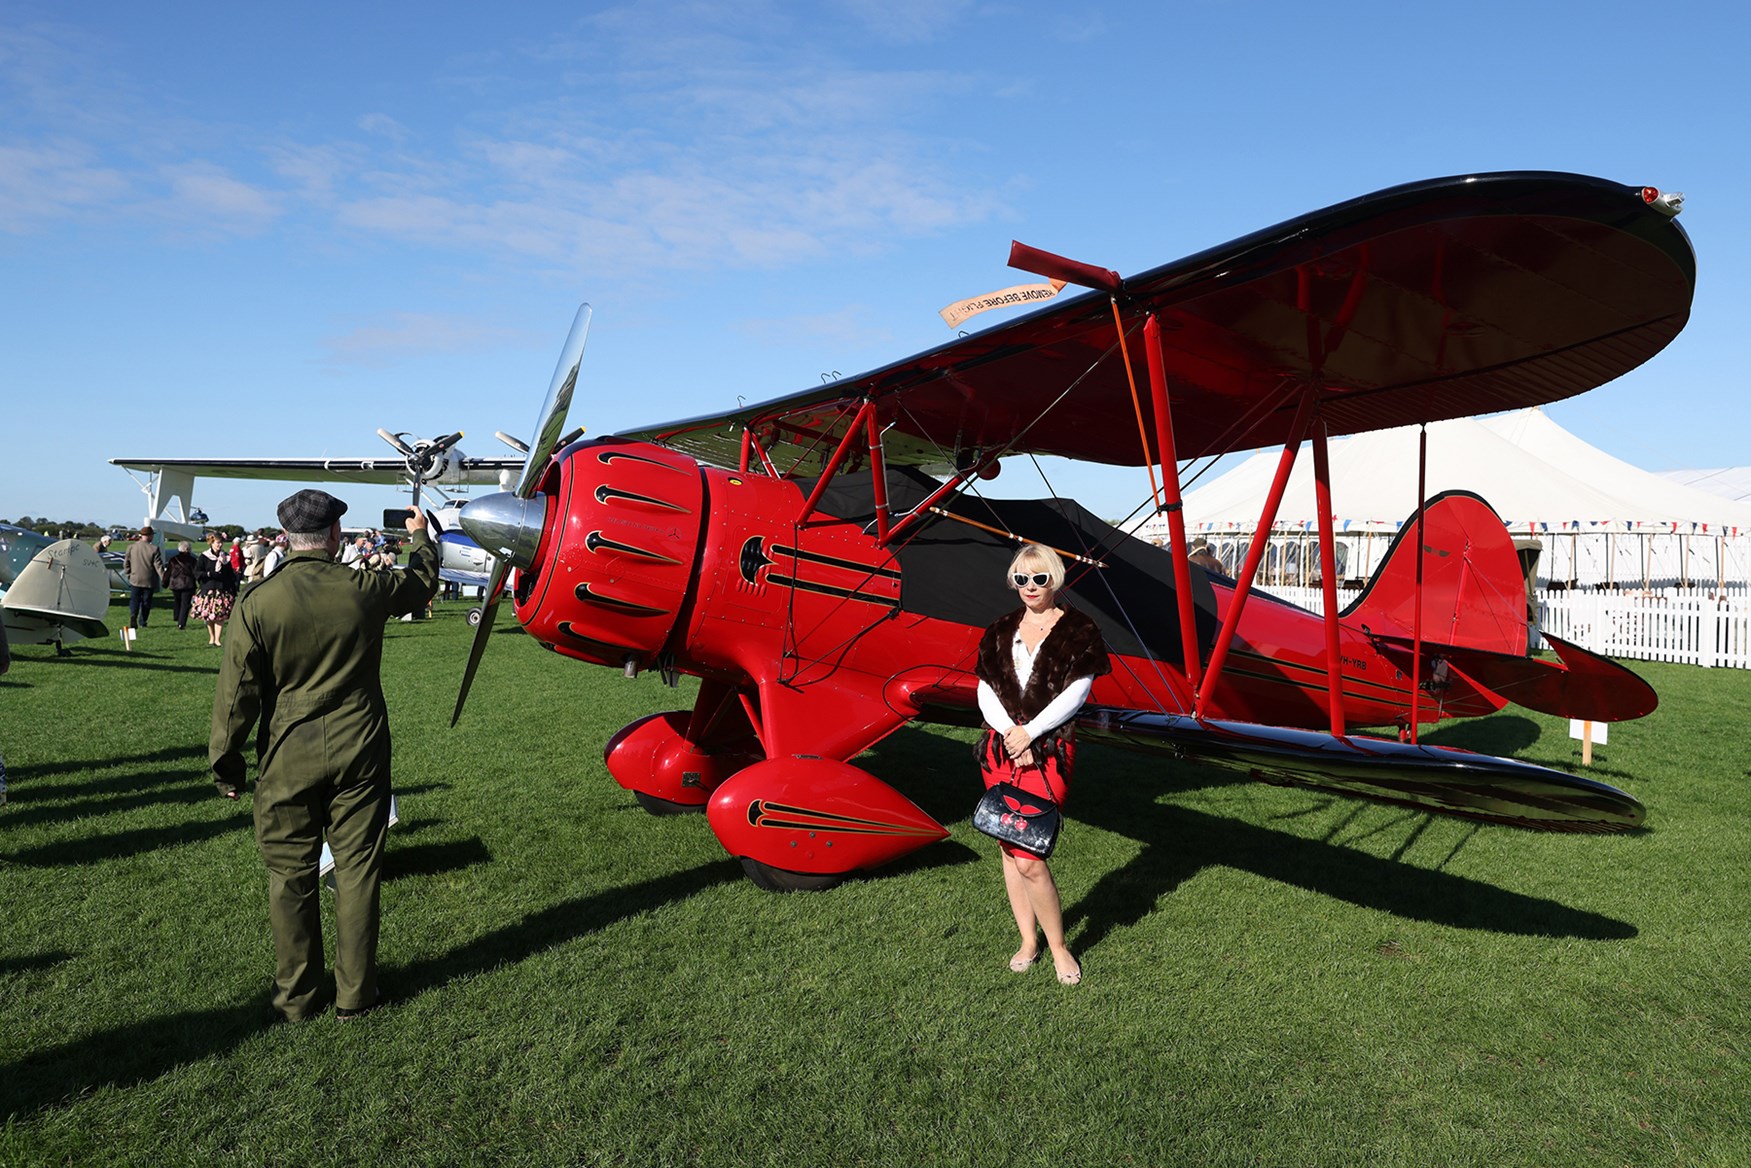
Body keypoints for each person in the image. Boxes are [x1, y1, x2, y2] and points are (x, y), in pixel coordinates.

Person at [210, 491, 438, 1023]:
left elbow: (235, 694)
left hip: (288, 752)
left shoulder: (258, 601)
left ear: (289, 539)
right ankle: (356, 995)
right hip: (360, 747)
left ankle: (297, 999)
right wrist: (420, 535)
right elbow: (422, 581)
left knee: (290, 877)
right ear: (334, 537)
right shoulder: (363, 588)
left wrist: (226, 763)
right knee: (357, 872)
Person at [974, 544, 1110, 987]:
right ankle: (1027, 941)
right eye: (1022, 579)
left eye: (1040, 579)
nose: (1030, 588)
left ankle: (1058, 946)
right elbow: (985, 689)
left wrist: (1030, 733)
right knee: (1007, 849)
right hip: (1000, 749)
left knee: (1030, 854)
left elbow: (1078, 692)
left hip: (1049, 749)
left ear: (1055, 579)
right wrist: (1012, 735)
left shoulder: (1079, 630)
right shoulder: (998, 630)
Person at [193, 533, 240, 646]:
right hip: (208, 589)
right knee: (209, 616)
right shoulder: (204, 557)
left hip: (222, 589)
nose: (220, 545)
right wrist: (209, 574)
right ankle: (212, 637)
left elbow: (230, 575)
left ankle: (217, 639)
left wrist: (232, 588)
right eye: (218, 542)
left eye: (221, 542)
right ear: (211, 543)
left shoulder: (225, 557)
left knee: (220, 615)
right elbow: (197, 572)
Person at [123, 527, 165, 630]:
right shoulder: (154, 549)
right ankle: (143, 621)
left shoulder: (131, 547)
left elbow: (126, 563)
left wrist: (129, 575)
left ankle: (133, 615)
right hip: (149, 580)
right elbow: (158, 566)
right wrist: (164, 578)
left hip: (135, 579)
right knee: (146, 602)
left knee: (134, 600)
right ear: (150, 536)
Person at [163, 540, 200, 630]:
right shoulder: (192, 560)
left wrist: (164, 583)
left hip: (175, 584)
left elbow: (168, 573)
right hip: (188, 584)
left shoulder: (173, 559)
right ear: (187, 549)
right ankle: (181, 623)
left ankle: (176, 616)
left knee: (177, 601)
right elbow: (196, 573)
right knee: (185, 604)